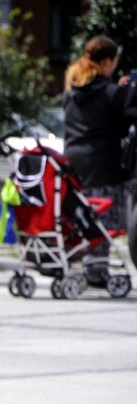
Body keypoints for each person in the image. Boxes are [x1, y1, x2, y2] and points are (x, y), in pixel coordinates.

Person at [63, 35, 137, 285]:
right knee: (105, 219)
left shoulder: (72, 90)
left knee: (82, 217)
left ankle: (84, 265)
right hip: (104, 163)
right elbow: (125, 121)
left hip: (73, 162)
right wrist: (127, 92)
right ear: (107, 61)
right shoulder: (110, 92)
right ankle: (96, 271)